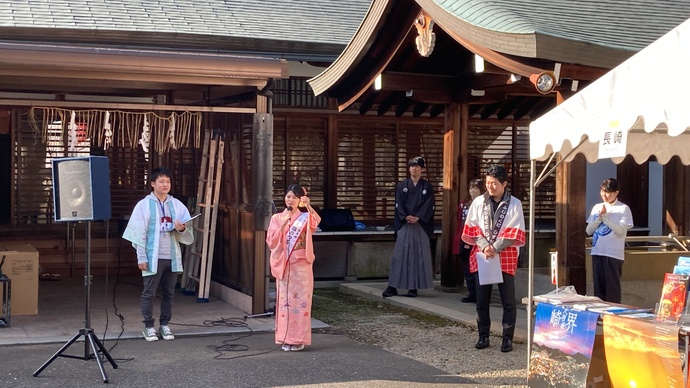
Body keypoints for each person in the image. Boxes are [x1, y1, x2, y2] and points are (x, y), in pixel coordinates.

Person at [123, 167, 194, 342]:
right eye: (161, 181)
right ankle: (148, 326)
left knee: (169, 293)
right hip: (152, 256)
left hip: (171, 255)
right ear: (153, 183)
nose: (165, 184)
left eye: (168, 182)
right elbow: (138, 233)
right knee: (149, 292)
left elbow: (187, 227)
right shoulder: (144, 205)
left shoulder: (176, 204)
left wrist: (182, 228)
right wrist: (141, 257)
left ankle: (164, 325)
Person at [462, 165, 525, 353]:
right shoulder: (479, 202)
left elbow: (514, 231)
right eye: (488, 183)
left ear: (504, 184)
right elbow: (471, 227)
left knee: (508, 300)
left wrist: (495, 247)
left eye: (494, 183)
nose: (490, 187)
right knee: (482, 299)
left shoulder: (515, 203)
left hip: (505, 254)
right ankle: (483, 336)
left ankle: (507, 338)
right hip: (483, 255)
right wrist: (484, 245)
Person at [266, 184, 321, 352]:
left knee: (301, 303)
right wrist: (283, 224)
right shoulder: (277, 218)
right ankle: (285, 338)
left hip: (301, 266)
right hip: (285, 264)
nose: (290, 199)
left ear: (299, 200)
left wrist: (309, 205)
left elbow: (316, 222)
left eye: (294, 197)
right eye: (288, 196)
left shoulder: (305, 217)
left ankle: (298, 339)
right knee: (284, 303)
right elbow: (271, 241)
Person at [382, 156, 435, 298]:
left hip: (420, 225)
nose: (414, 168)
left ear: (422, 169)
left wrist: (418, 217)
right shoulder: (402, 185)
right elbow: (398, 204)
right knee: (399, 256)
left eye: (417, 166)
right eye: (411, 166)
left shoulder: (427, 187)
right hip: (405, 224)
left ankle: (414, 287)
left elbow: (429, 206)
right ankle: (392, 286)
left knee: (418, 257)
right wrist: (406, 216)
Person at [586, 178, 633, 304]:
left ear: (616, 192)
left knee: (612, 288)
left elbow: (621, 231)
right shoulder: (597, 207)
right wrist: (599, 218)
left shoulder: (623, 208)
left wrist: (606, 218)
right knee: (598, 287)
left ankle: (612, 315)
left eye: (608, 192)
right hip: (597, 251)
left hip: (613, 254)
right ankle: (600, 315)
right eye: (603, 191)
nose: (605, 195)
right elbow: (589, 230)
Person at [452, 178, 484, 303]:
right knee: (467, 268)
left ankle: (481, 294)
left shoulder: (485, 203)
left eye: (475, 187)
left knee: (480, 268)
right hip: (464, 238)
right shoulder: (464, 204)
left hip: (479, 240)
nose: (472, 190)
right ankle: (472, 293)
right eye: (471, 188)